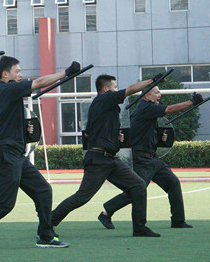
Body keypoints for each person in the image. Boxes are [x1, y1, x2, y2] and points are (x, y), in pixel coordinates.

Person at [0, 56, 77, 250]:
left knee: (43, 190)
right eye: (17, 71)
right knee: (5, 203)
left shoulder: (5, 96)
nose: (20, 75)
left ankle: (46, 236)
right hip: (5, 156)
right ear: (5, 74)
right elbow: (39, 83)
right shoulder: (6, 89)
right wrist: (66, 73)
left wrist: (24, 131)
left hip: (15, 155)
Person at [51, 74, 162, 237]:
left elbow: (88, 134)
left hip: (110, 159)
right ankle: (48, 222)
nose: (117, 90)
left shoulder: (104, 108)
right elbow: (130, 90)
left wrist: (112, 137)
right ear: (105, 89)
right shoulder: (103, 99)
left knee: (138, 186)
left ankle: (139, 228)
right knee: (82, 197)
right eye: (115, 87)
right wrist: (153, 81)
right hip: (98, 160)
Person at [98, 86, 201, 230]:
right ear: (147, 96)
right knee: (137, 190)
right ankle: (106, 213)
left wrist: (160, 138)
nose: (160, 95)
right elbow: (170, 109)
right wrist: (192, 102)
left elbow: (144, 135)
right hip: (141, 160)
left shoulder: (149, 111)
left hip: (152, 159)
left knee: (173, 183)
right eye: (157, 92)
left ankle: (178, 220)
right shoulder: (146, 107)